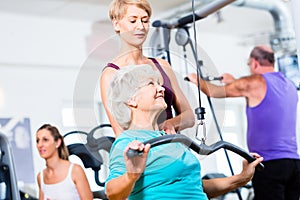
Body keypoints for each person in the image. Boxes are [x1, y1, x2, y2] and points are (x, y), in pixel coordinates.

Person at [104, 64, 263, 200]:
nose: (161, 89)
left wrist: (240, 179)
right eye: (151, 84)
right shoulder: (128, 142)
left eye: (159, 84)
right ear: (131, 100)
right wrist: (131, 175)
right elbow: (112, 194)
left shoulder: (168, 137)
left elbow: (194, 186)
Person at [186, 45, 300, 200]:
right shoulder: (289, 85)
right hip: (294, 164)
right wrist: (234, 81)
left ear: (254, 63)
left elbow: (213, 91)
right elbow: (259, 93)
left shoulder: (253, 83)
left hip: (268, 164)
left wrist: (195, 79)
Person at [100, 0, 195, 137]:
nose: (141, 26)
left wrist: (170, 124)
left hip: (173, 147)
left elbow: (189, 117)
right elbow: (120, 132)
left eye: (144, 21)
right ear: (116, 24)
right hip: (143, 151)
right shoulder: (111, 74)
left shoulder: (162, 66)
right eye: (133, 21)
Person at [36, 124, 93, 200]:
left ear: (58, 142)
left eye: (45, 140)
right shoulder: (41, 177)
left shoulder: (75, 171)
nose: (40, 145)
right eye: (37, 141)